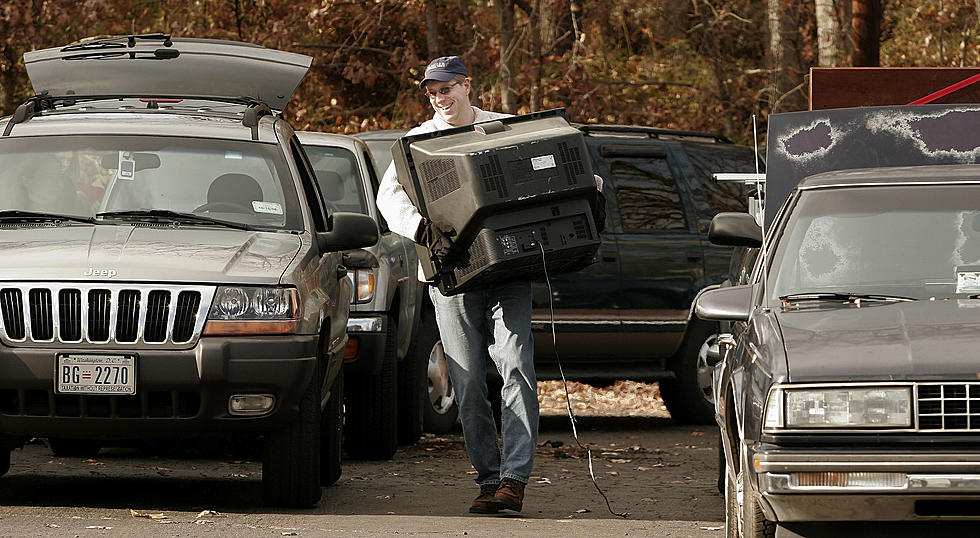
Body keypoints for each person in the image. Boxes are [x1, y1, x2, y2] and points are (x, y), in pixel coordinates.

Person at [377, 56, 603, 516]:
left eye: (447, 89)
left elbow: (560, 166)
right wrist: (421, 228)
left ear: (467, 87)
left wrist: (585, 191)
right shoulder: (417, 141)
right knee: (467, 379)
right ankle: (487, 478)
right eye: (432, 91)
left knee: (517, 365)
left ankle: (514, 480)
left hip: (508, 271)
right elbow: (389, 196)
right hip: (451, 278)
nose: (440, 98)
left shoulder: (503, 130)